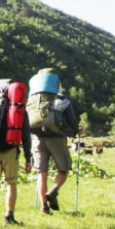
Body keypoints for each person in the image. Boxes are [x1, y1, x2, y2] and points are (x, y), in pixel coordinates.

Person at [30, 70, 80, 215]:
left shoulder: (33, 100)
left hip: (37, 138)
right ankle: (53, 191)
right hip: (56, 138)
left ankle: (44, 208)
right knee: (64, 169)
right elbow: (72, 121)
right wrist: (77, 131)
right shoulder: (62, 99)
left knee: (41, 173)